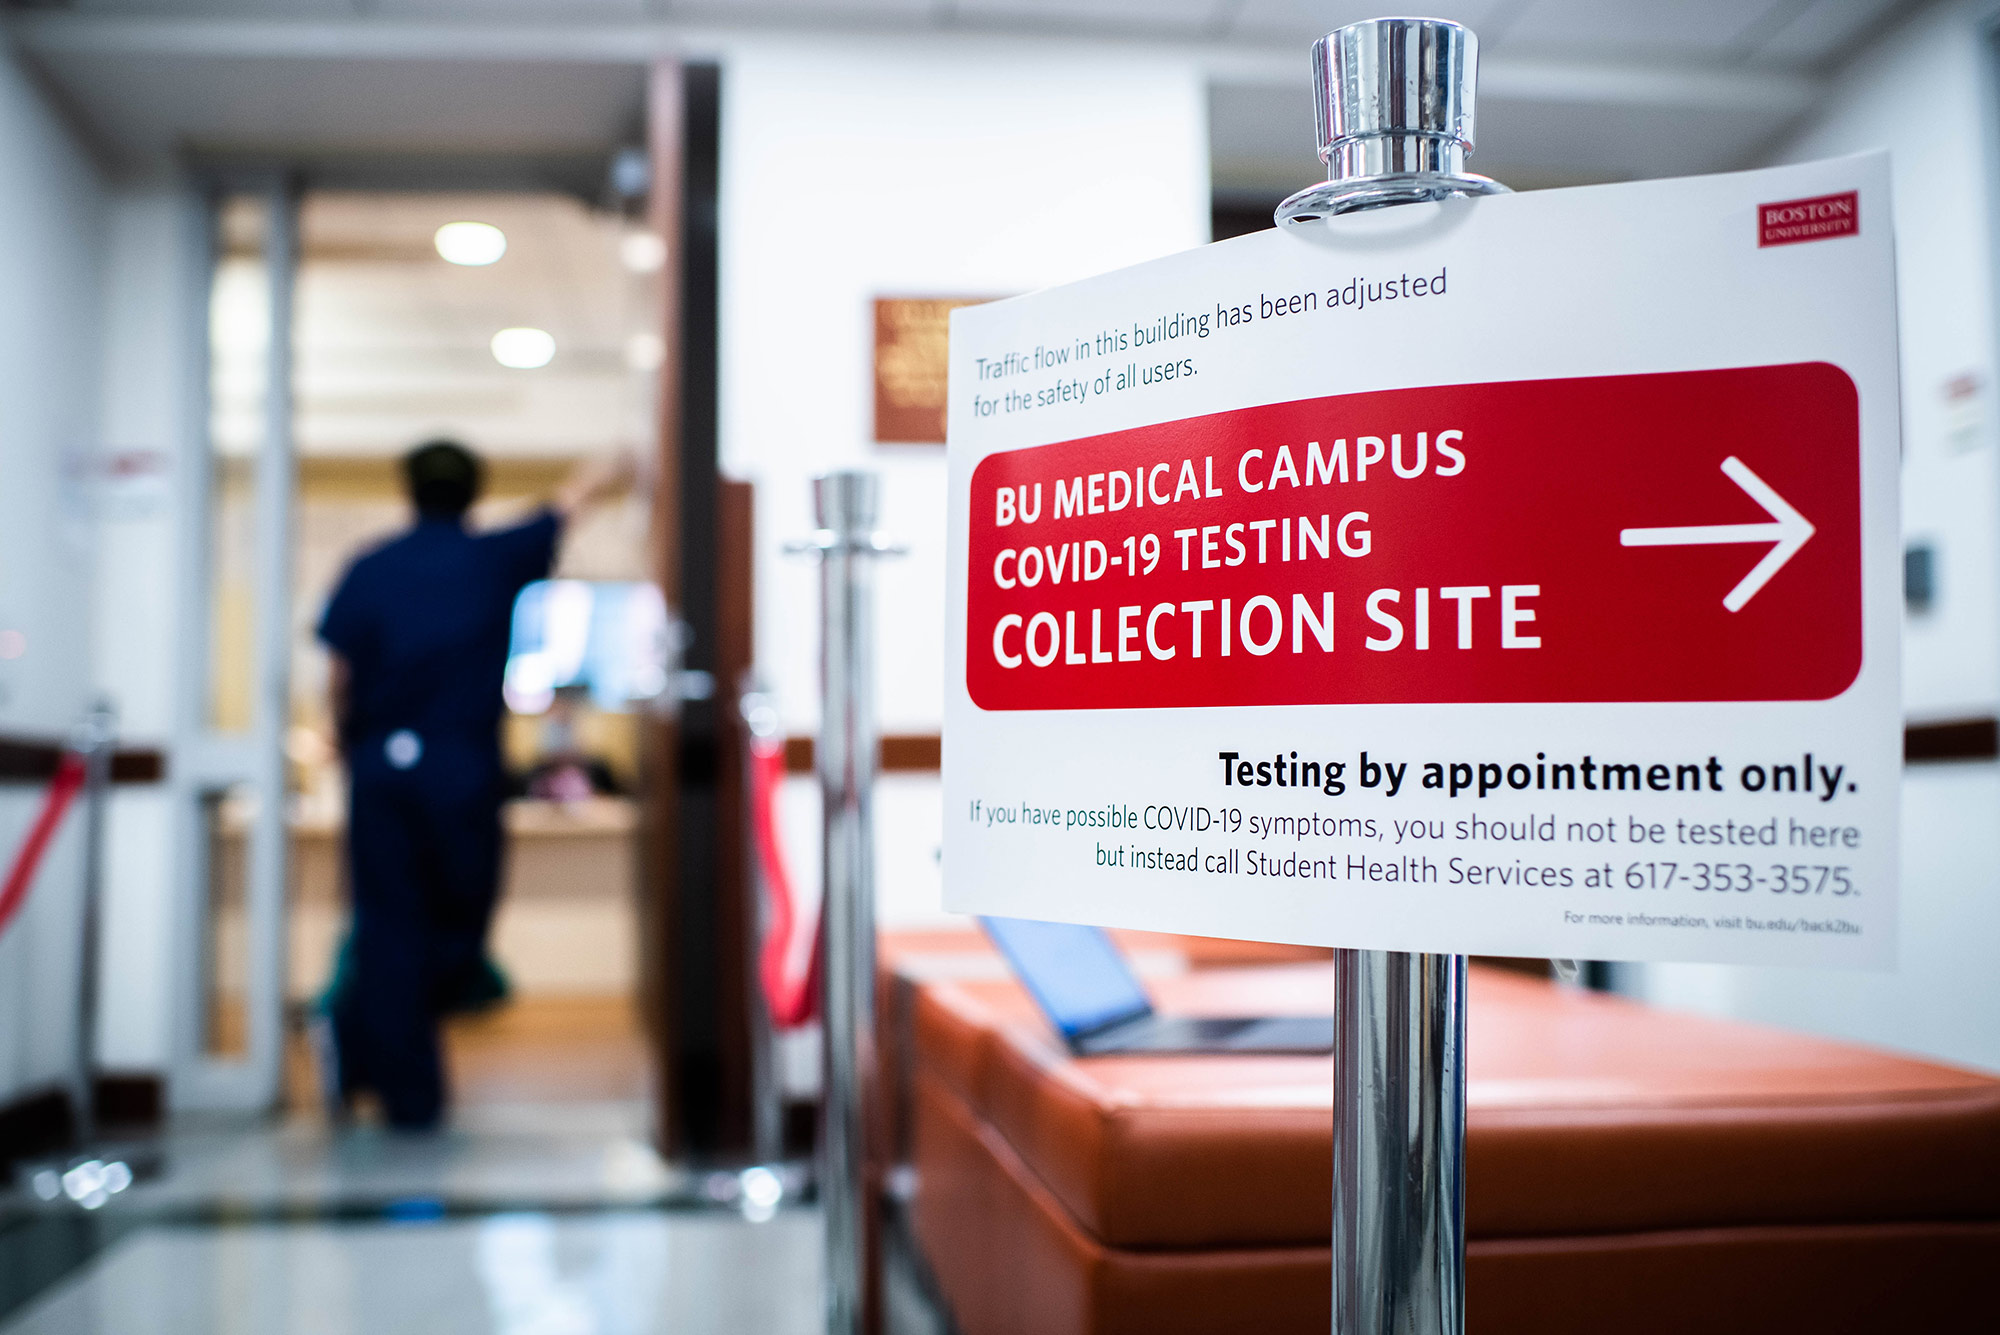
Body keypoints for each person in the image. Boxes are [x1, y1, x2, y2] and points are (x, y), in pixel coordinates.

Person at [317, 439, 631, 1128]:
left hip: (381, 771)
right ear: (474, 490)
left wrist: (341, 741)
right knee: (455, 919)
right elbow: (563, 509)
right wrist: (607, 469)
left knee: (395, 925)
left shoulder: (369, 567)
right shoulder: (490, 556)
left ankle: (366, 1038)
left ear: (408, 489)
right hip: (458, 772)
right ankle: (406, 1088)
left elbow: (337, 673)